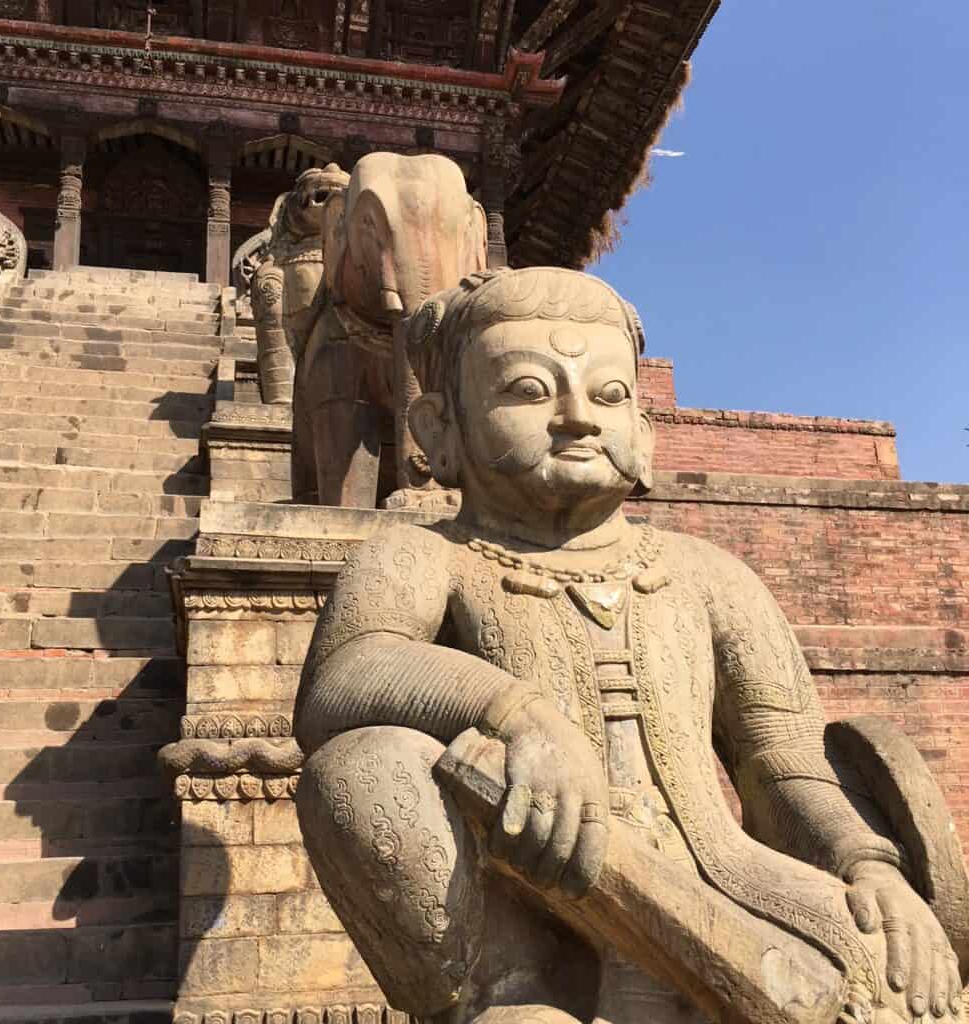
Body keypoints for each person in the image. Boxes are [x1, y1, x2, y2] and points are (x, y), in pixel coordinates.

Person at [293, 267, 964, 1024]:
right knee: (360, 766)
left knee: (901, 978)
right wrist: (520, 715)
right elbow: (343, 677)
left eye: (609, 395)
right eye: (527, 391)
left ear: (644, 432)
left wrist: (870, 868)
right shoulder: (424, 558)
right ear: (439, 431)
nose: (577, 418)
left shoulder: (708, 576)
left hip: (732, 884)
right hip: (534, 895)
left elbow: (783, 760)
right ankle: (507, 995)